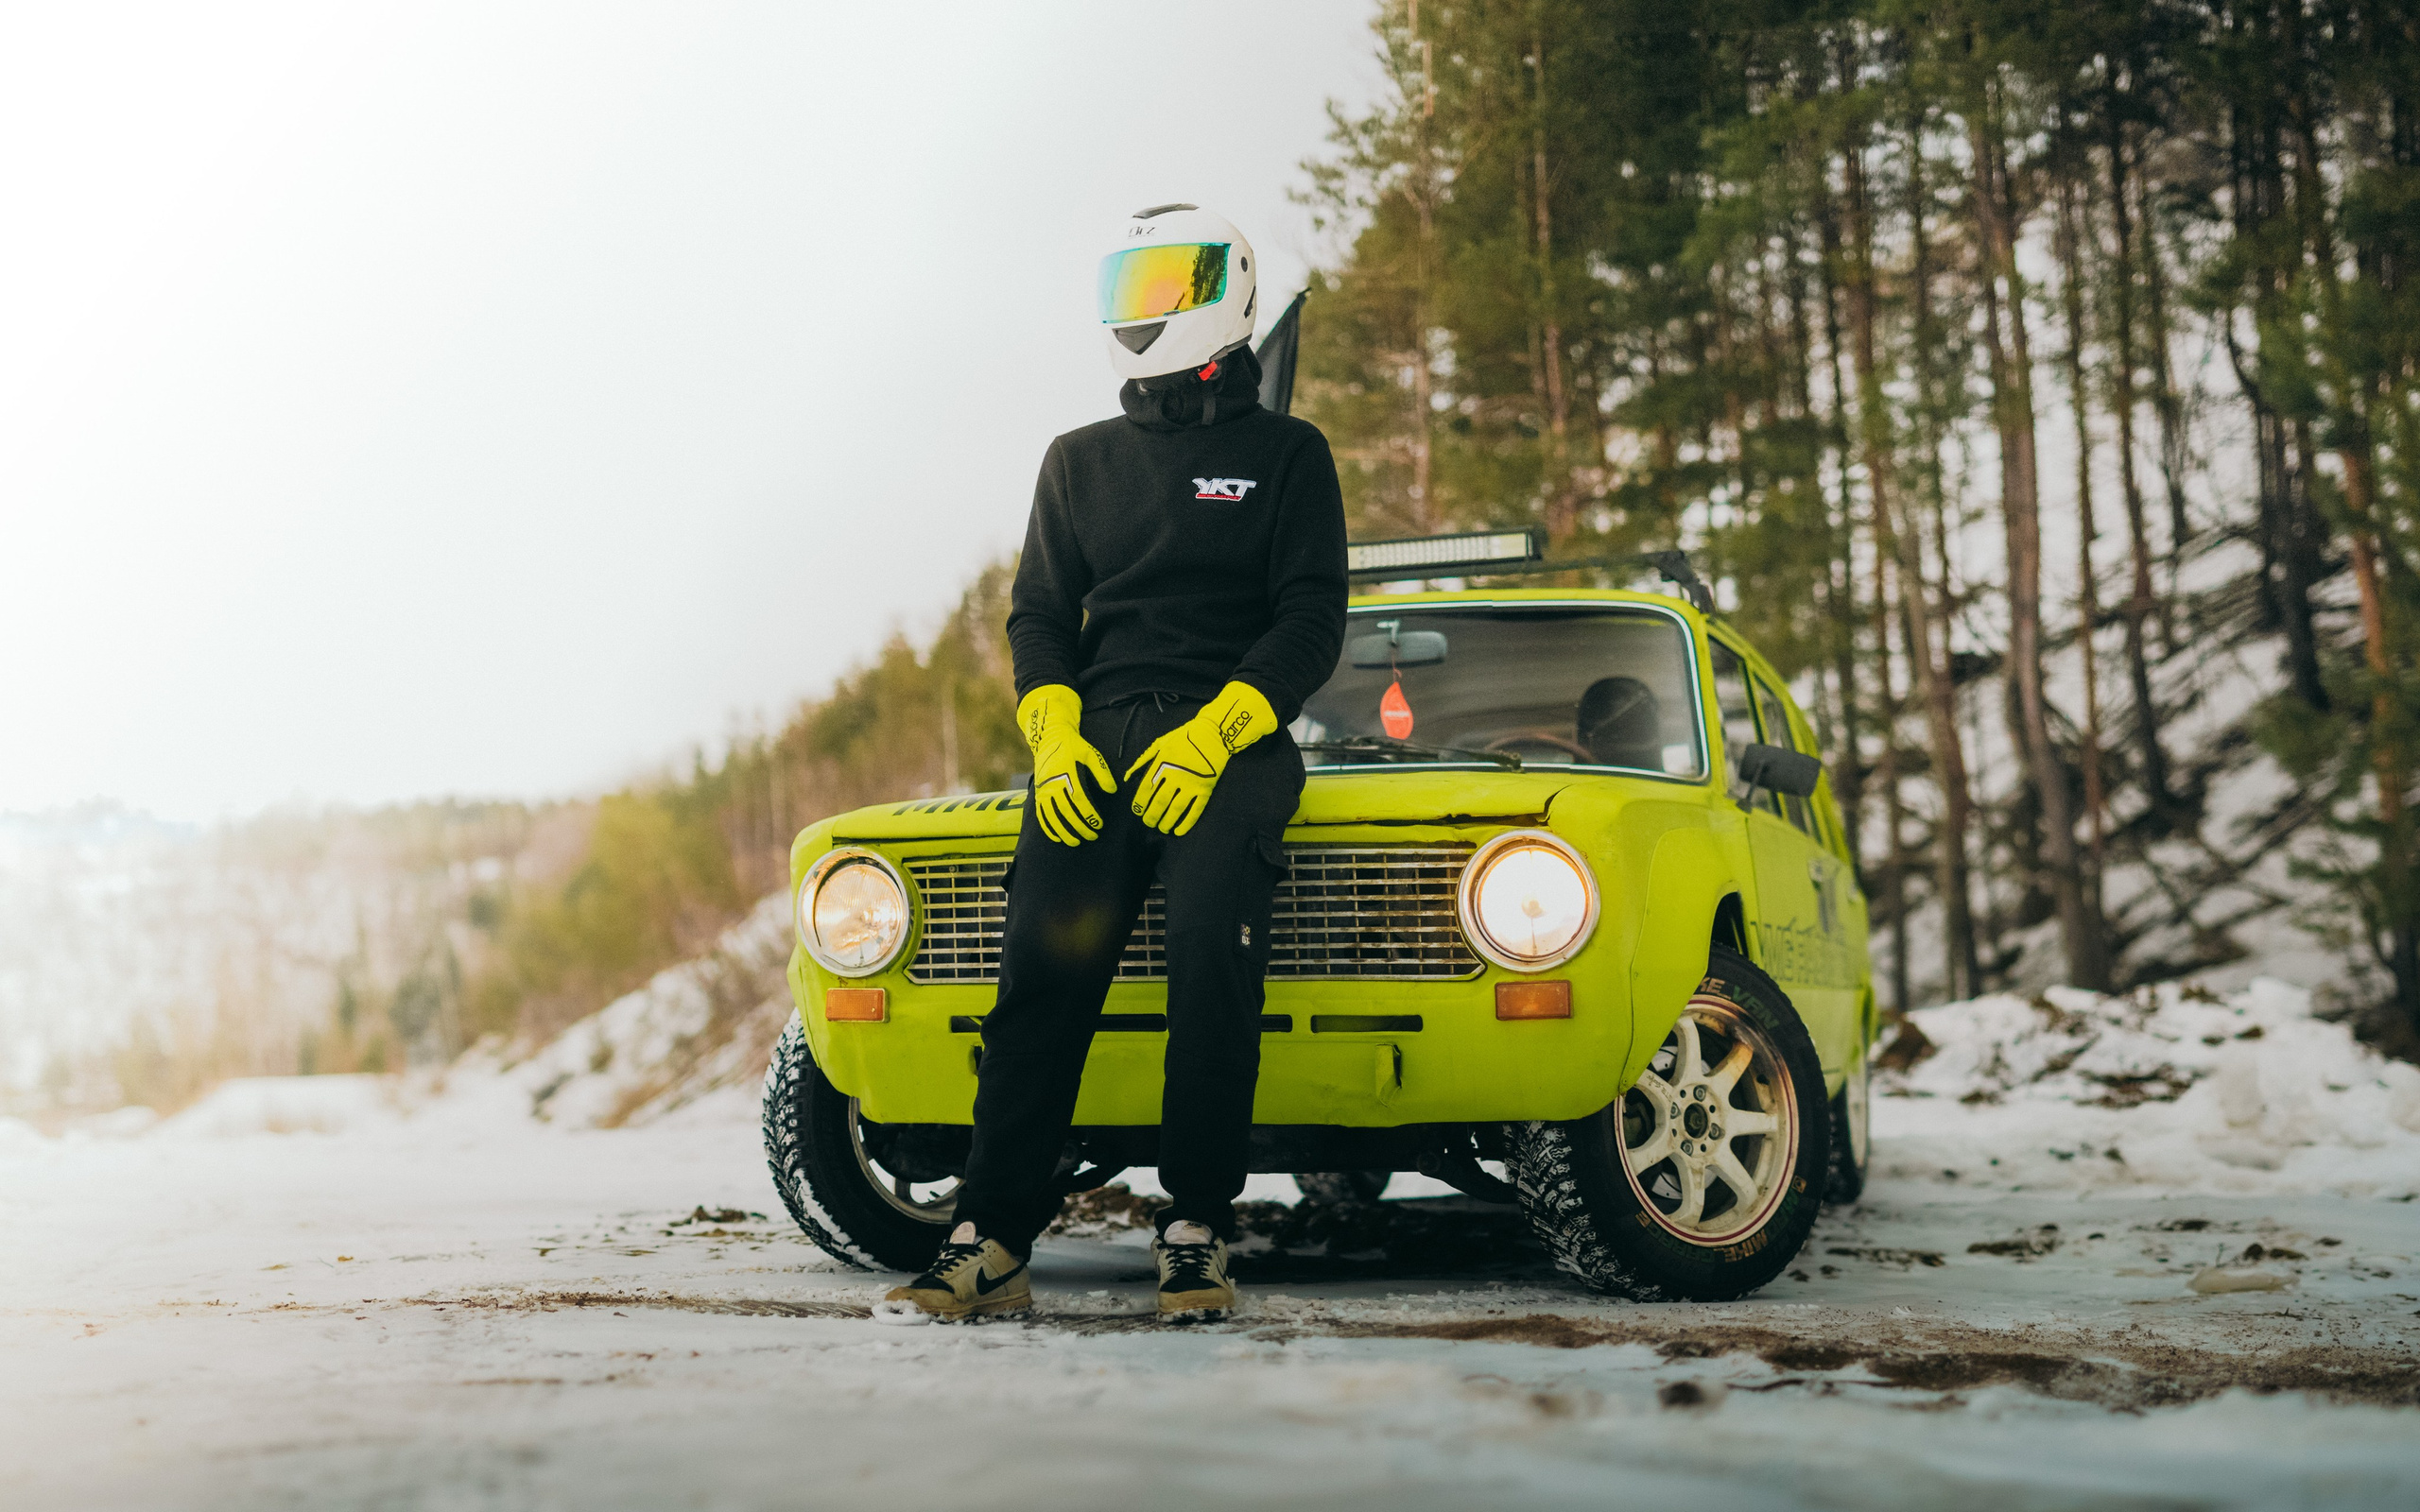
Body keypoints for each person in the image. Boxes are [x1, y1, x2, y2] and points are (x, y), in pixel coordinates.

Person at [884, 204, 1347, 1322]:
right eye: (1128, 286)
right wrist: (1050, 728)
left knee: (1208, 953)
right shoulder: (1078, 460)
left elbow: (1308, 617)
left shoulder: (1287, 454)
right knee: (1041, 968)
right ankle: (990, 1233)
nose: (1144, 310)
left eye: (1167, 284)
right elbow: (1039, 612)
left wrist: (1224, 727)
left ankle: (1194, 1225)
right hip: (1095, 747)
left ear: (1227, 290)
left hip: (1227, 740)